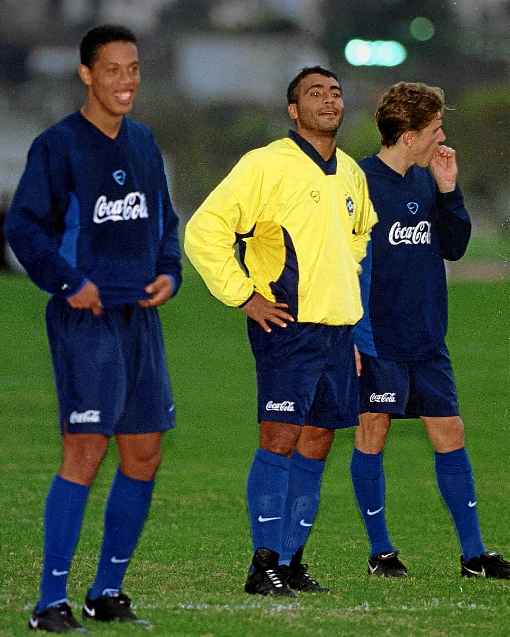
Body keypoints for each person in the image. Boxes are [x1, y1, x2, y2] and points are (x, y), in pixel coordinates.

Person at [6, 24, 182, 632]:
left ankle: (105, 591)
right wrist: (66, 281)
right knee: (85, 450)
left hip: (140, 320)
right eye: (113, 69)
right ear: (87, 74)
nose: (126, 80)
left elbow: (165, 220)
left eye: (133, 68)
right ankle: (48, 602)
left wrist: (168, 272)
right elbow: (23, 228)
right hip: (85, 320)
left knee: (145, 452)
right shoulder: (58, 146)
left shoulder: (143, 141)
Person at [185, 66, 377, 596]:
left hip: (337, 332)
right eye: (315, 93)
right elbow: (205, 230)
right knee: (281, 438)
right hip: (287, 327)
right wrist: (244, 295)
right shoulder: (266, 164)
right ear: (294, 110)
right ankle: (262, 562)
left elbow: (359, 241)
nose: (329, 100)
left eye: (336, 92)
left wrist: (352, 319)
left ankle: (291, 561)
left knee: (317, 442)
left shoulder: (352, 175)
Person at [351, 81, 510, 579]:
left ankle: (474, 555)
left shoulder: (426, 178)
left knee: (451, 433)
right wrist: (356, 335)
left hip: (427, 338)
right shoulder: (358, 182)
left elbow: (455, 246)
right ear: (408, 135)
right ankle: (381, 553)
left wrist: (448, 187)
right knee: (371, 433)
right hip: (379, 338)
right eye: (435, 128)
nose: (442, 136)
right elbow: (343, 263)